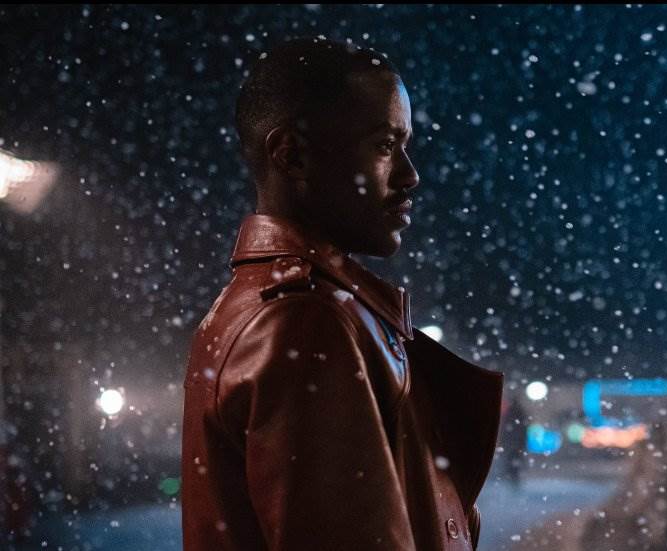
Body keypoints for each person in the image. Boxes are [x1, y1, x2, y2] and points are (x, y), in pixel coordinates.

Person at [181, 36, 503, 551]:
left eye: (404, 146)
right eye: (384, 145)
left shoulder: (283, 309)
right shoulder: (304, 322)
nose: (410, 175)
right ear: (292, 155)